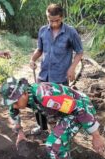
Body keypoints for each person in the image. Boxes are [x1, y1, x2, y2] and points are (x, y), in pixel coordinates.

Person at [0, 77, 105, 159]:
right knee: (57, 141)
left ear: (24, 93)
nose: (14, 105)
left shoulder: (45, 97)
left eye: (15, 102)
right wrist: (20, 132)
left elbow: (79, 108)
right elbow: (13, 111)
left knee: (55, 144)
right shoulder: (24, 97)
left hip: (80, 109)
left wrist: (96, 136)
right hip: (66, 110)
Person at [29, 4, 83, 135]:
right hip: (44, 75)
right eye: (50, 20)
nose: (53, 23)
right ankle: (42, 127)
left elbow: (79, 52)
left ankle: (62, 131)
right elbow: (40, 49)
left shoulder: (71, 32)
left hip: (60, 75)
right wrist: (32, 59)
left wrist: (72, 68)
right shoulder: (43, 30)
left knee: (61, 105)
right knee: (38, 102)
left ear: (62, 17)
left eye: (56, 20)